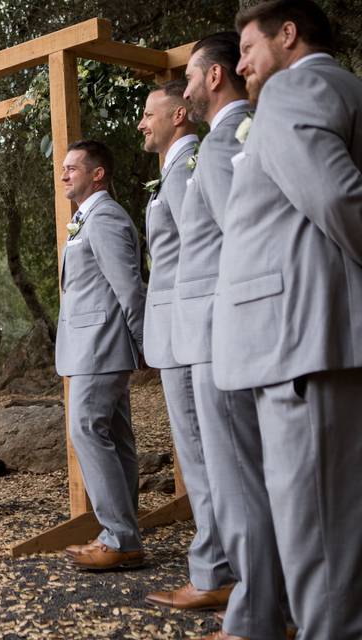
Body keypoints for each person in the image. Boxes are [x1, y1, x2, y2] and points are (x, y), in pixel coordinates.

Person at [212, 2, 362, 637]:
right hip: (306, 339)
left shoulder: (296, 85)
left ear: (289, 35)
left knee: (318, 548)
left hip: (300, 342)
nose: (240, 65)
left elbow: (334, 196)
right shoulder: (337, 88)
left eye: (247, 48)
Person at [166, 31, 290, 640]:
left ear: (214, 77)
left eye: (190, 74)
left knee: (236, 475)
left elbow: (239, 243)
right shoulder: (228, 141)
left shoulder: (218, 149)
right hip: (217, 329)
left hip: (219, 332)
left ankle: (257, 614)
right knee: (241, 472)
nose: (185, 87)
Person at [137, 82, 236, 613]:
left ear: (180, 114)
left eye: (149, 114)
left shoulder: (193, 163)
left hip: (193, 329)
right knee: (199, 455)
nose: (141, 123)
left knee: (202, 457)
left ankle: (216, 571)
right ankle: (219, 566)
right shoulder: (174, 169)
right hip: (180, 330)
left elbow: (211, 247)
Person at [56, 140, 146, 570]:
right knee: (115, 437)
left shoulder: (106, 217)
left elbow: (128, 286)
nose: (64, 174)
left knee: (87, 430)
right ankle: (125, 531)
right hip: (92, 346)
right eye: (63, 167)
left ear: (98, 174)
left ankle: (119, 535)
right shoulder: (86, 218)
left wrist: (144, 342)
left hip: (102, 345)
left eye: (73, 167)